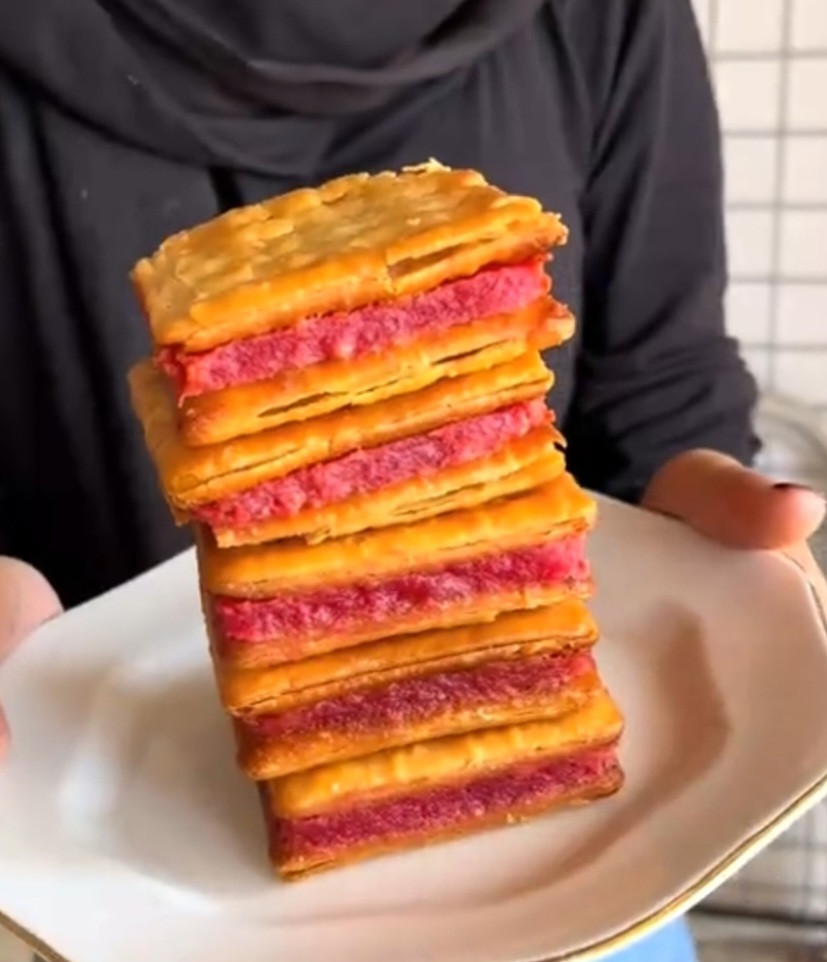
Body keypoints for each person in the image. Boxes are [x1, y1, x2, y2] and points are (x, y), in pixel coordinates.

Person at [0, 0, 825, 958]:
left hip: (596, 888)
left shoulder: (605, 14)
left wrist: (697, 518)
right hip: (82, 849)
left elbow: (659, 388)